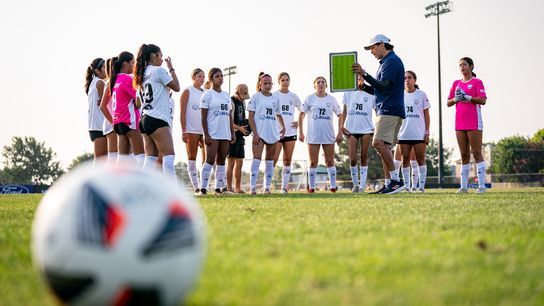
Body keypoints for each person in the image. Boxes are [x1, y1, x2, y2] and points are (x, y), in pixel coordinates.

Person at [352, 34, 406, 194]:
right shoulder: (386, 62)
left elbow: (384, 87)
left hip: (389, 109)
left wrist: (365, 74)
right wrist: (365, 87)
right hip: (387, 108)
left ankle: (396, 181)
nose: (371, 51)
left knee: (378, 143)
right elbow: (380, 89)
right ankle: (390, 183)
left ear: (382, 44)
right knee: (385, 148)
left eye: (373, 48)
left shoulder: (392, 61)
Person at [133, 44, 180, 179]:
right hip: (157, 117)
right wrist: (171, 68)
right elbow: (177, 87)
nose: (162, 59)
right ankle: (172, 192)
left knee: (150, 159)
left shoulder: (140, 75)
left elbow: (138, 102)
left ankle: (141, 190)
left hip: (144, 118)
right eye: (160, 55)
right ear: (154, 56)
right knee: (169, 156)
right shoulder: (158, 70)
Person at [447, 57, 487, 193]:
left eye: (464, 64)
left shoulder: (477, 82)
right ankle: (463, 187)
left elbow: (483, 100)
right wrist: (455, 99)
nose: (462, 67)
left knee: (476, 153)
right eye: (460, 65)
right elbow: (448, 102)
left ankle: (482, 186)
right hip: (459, 122)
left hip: (474, 121)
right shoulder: (456, 83)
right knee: (464, 154)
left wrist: (468, 97)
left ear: (471, 66)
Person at [299, 76, 343, 193]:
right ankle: (311, 188)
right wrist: (301, 132)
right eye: (318, 82)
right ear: (314, 85)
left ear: (326, 85)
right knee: (313, 162)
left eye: (323, 82)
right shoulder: (309, 98)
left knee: (329, 161)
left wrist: (340, 132)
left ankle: (333, 187)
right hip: (313, 135)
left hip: (328, 134)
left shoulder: (332, 99)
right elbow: (301, 115)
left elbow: (340, 115)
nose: (320, 84)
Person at [199, 68, 235, 195]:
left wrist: (232, 132)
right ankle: (202, 188)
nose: (220, 78)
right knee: (209, 159)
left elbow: (229, 116)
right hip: (212, 133)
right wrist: (206, 134)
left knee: (221, 160)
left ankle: (219, 189)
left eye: (221, 76)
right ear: (211, 79)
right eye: (217, 76)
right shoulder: (207, 95)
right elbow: (203, 117)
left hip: (225, 133)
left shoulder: (226, 95)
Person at [248, 73, 285, 194]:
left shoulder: (275, 98)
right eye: (265, 83)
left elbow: (278, 114)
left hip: (272, 132)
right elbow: (251, 117)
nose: (267, 85)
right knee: (256, 159)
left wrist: (283, 127)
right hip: (259, 133)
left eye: (269, 83)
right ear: (260, 84)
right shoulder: (255, 97)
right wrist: (255, 133)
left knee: (270, 161)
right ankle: (252, 187)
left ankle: (267, 188)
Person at [339, 74, 376, 193]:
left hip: (366, 129)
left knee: (364, 157)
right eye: (357, 78)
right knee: (353, 158)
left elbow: (377, 110)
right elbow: (344, 111)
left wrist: (377, 127)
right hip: (351, 129)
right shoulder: (348, 92)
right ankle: (355, 185)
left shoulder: (371, 93)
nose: (359, 80)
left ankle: (362, 186)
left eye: (361, 78)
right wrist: (341, 126)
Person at [396, 70, 430, 192]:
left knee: (420, 159)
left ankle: (421, 187)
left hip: (419, 133)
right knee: (405, 160)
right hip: (404, 133)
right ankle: (407, 186)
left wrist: (427, 132)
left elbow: (426, 115)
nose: (407, 80)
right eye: (405, 78)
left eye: (409, 77)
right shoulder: (400, 95)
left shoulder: (421, 95)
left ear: (414, 80)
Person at [110, 51, 145, 166]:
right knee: (141, 157)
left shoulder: (115, 79)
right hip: (129, 121)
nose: (134, 66)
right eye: (133, 63)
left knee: (122, 160)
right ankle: (141, 184)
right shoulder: (127, 79)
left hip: (118, 123)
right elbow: (138, 101)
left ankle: (116, 183)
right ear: (125, 63)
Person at [273, 72, 302, 194]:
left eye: (287, 80)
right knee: (273, 159)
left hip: (291, 131)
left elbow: (303, 110)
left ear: (289, 81)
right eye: (283, 80)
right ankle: (267, 186)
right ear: (279, 82)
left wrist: (298, 122)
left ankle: (284, 188)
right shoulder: (274, 95)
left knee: (287, 159)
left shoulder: (294, 96)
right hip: (277, 132)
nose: (285, 82)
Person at [180, 68, 206, 192]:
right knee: (192, 158)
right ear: (193, 77)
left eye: (203, 76)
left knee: (208, 158)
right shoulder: (187, 91)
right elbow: (182, 113)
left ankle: (203, 186)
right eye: (199, 76)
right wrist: (183, 131)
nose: (202, 78)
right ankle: (196, 187)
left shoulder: (206, 92)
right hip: (191, 129)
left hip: (204, 130)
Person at [226, 84, 250, 193]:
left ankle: (238, 187)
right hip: (232, 134)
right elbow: (228, 120)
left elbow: (243, 118)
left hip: (240, 136)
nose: (243, 98)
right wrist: (237, 128)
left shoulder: (242, 103)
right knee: (230, 162)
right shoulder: (230, 102)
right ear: (237, 93)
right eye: (242, 96)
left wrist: (246, 127)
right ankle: (229, 187)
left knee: (240, 162)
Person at [85, 58, 107, 162]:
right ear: (97, 71)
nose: (106, 69)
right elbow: (107, 105)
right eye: (104, 67)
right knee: (100, 162)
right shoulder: (100, 83)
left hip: (95, 127)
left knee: (102, 161)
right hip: (100, 127)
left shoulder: (93, 83)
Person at [99, 57, 119, 166]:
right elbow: (102, 106)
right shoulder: (109, 83)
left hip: (115, 124)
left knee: (121, 158)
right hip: (111, 125)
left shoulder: (116, 82)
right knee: (113, 159)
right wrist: (113, 123)